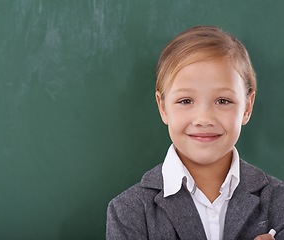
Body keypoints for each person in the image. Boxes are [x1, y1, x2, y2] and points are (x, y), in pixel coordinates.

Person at [106, 26, 284, 240]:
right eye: (186, 101)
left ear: (247, 107)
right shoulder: (129, 211)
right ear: (163, 107)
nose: (204, 119)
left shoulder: (279, 201)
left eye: (223, 101)